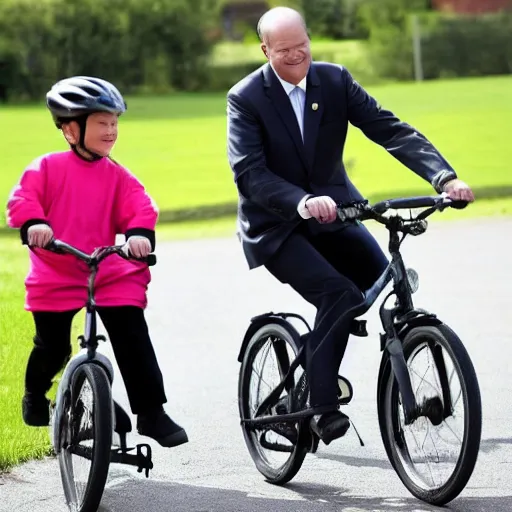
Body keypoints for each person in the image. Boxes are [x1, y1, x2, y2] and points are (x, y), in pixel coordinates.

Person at [226, 7, 474, 446]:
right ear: (265, 50)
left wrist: (444, 177)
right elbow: (250, 174)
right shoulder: (246, 98)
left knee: (381, 283)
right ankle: (322, 407)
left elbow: (389, 129)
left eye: (302, 45)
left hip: (337, 214)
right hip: (277, 225)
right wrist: (301, 201)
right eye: (284, 51)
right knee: (337, 293)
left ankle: (351, 366)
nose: (297, 56)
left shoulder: (335, 80)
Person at [6, 76, 188, 448]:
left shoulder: (117, 175)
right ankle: (34, 394)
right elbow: (23, 200)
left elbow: (139, 205)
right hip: (57, 269)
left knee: (132, 333)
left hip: (104, 269)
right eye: (102, 123)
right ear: (71, 129)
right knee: (52, 346)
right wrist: (35, 223)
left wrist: (138, 234)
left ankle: (151, 411)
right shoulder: (48, 167)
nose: (111, 131)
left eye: (115, 123)